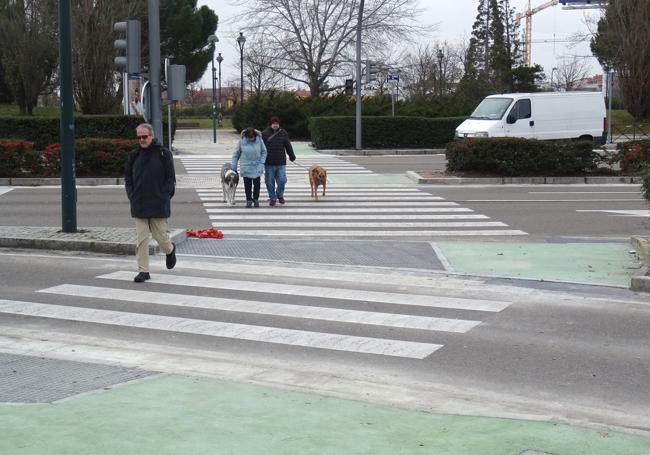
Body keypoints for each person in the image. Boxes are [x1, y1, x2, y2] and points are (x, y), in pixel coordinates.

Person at [124, 123, 177, 283]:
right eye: (139, 137)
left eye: (144, 136)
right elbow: (128, 178)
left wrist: (163, 195)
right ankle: (144, 271)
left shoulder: (163, 153)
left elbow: (170, 179)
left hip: (158, 203)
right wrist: (131, 195)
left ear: (151, 136)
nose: (141, 139)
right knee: (142, 239)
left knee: (160, 237)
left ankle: (170, 250)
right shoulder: (134, 155)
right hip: (138, 203)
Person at [262, 116, 295, 206]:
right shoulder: (264, 133)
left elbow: (288, 145)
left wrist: (291, 155)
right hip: (268, 162)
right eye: (274, 123)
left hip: (281, 162)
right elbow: (260, 148)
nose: (275, 125)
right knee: (269, 182)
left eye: (277, 123)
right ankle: (272, 198)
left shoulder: (283, 133)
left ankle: (279, 195)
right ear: (271, 124)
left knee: (282, 180)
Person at [231, 127, 267, 208]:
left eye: (252, 138)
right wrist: (234, 166)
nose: (250, 139)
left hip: (257, 165)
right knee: (247, 184)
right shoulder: (241, 142)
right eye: (249, 138)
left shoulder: (260, 141)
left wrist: (262, 162)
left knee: (257, 183)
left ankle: (256, 199)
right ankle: (249, 200)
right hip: (246, 166)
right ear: (246, 136)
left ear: (255, 136)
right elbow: (236, 154)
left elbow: (264, 152)